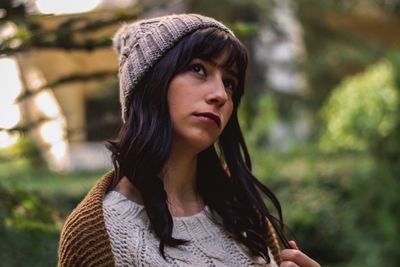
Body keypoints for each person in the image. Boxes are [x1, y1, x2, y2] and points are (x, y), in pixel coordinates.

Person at [58, 13, 321, 267]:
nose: (220, 95)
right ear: (151, 83)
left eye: (229, 82)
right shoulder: (97, 233)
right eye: (198, 69)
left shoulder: (241, 206)